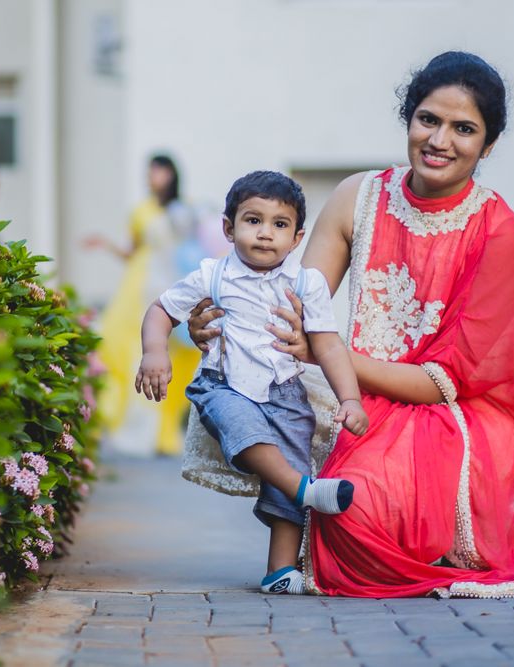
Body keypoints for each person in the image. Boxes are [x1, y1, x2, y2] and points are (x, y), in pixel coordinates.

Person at [186, 51, 514, 598]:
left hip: (453, 414)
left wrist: (330, 358)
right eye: (429, 120)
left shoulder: (500, 233)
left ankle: (417, 524)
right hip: (361, 388)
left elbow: (445, 381)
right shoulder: (358, 197)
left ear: (488, 146)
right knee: (246, 386)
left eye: (464, 129)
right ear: (409, 119)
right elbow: (289, 305)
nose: (440, 139)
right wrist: (221, 323)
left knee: (356, 517)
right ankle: (296, 540)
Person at [137, 170, 369, 595]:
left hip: (285, 394)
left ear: (297, 237)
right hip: (222, 386)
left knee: (292, 465)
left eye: (279, 225)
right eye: (253, 220)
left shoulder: (306, 283)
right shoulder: (212, 275)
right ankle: (307, 490)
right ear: (228, 228)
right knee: (244, 428)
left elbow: (329, 346)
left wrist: (349, 398)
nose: (266, 234)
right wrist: (155, 351)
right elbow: (160, 310)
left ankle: (280, 570)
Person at [86, 155, 203, 456]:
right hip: (139, 285)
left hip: (173, 282)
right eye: (151, 171)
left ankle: (165, 430)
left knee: (179, 357)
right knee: (129, 351)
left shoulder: (185, 208)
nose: (154, 176)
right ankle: (135, 426)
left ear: (172, 173)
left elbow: (191, 249)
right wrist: (105, 245)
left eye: (160, 170)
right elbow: (131, 252)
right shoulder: (140, 212)